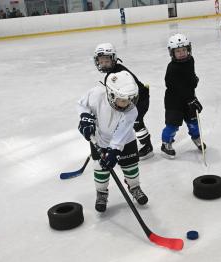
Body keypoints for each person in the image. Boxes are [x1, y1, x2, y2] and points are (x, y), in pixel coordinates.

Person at [77, 71, 148, 212]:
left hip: (126, 141)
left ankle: (134, 187)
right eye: (123, 99)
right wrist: (85, 118)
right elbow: (82, 104)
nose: (127, 103)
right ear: (111, 94)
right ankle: (101, 193)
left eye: (130, 99)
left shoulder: (131, 111)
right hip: (100, 140)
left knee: (131, 166)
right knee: (100, 168)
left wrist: (114, 152)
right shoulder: (96, 94)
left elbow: (120, 135)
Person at [94, 43, 154, 160]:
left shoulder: (118, 74)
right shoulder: (111, 73)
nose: (104, 64)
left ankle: (147, 147)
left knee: (136, 122)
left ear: (114, 59)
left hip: (139, 99)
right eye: (101, 62)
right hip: (130, 100)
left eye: (106, 61)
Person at [161, 33, 205, 159]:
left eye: (184, 50)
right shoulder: (172, 68)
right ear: (172, 53)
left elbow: (190, 76)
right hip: (174, 102)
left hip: (189, 98)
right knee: (172, 125)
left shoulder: (190, 60)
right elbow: (175, 87)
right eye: (178, 51)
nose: (182, 53)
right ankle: (166, 143)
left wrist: (193, 80)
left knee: (193, 122)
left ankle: (196, 138)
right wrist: (191, 100)